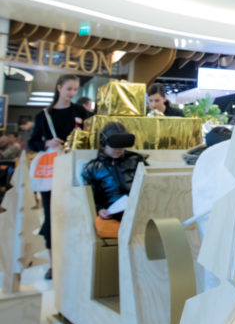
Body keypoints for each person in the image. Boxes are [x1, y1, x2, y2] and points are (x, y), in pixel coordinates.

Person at [27, 74, 92, 278]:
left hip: (76, 168)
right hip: (53, 172)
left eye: (75, 89)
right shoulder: (44, 115)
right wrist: (47, 143)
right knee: (51, 215)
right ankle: (53, 264)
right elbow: (32, 142)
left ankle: (74, 258)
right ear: (59, 88)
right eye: (69, 89)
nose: (72, 93)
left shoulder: (80, 112)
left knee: (76, 213)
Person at [82, 123, 147, 233]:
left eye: (121, 146)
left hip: (140, 208)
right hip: (113, 214)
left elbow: (148, 183)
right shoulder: (92, 168)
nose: (117, 150)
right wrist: (99, 209)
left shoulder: (136, 160)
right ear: (104, 144)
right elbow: (90, 197)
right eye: (114, 146)